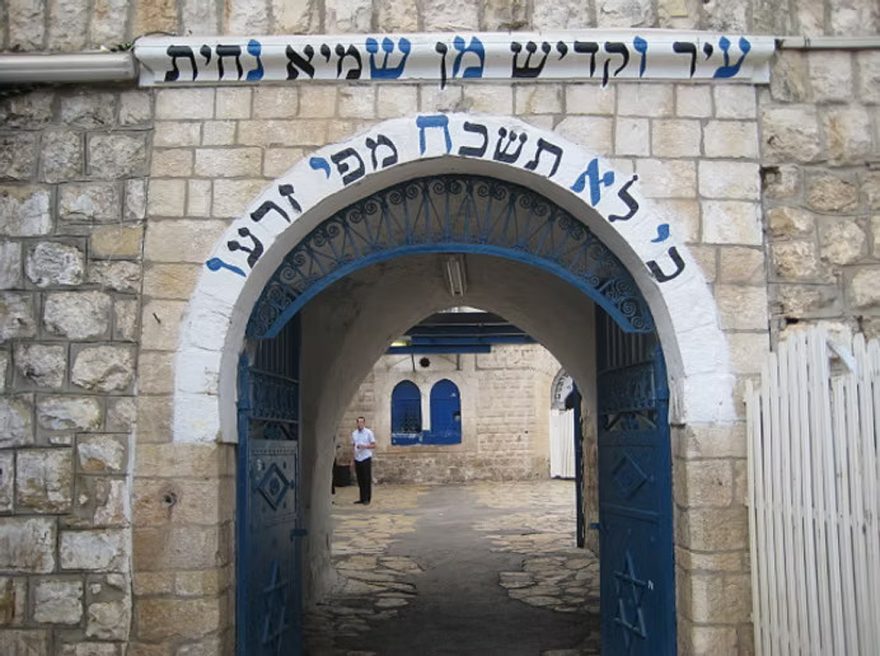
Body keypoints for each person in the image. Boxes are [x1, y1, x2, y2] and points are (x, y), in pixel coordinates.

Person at [351, 416, 376, 505]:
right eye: (358, 422)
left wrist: (365, 446)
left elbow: (373, 445)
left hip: (366, 457)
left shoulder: (369, 433)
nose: (360, 424)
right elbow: (353, 446)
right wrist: (352, 459)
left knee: (366, 478)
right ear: (357, 423)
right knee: (360, 479)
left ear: (364, 423)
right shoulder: (354, 433)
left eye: (361, 422)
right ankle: (361, 498)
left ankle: (367, 498)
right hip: (358, 458)